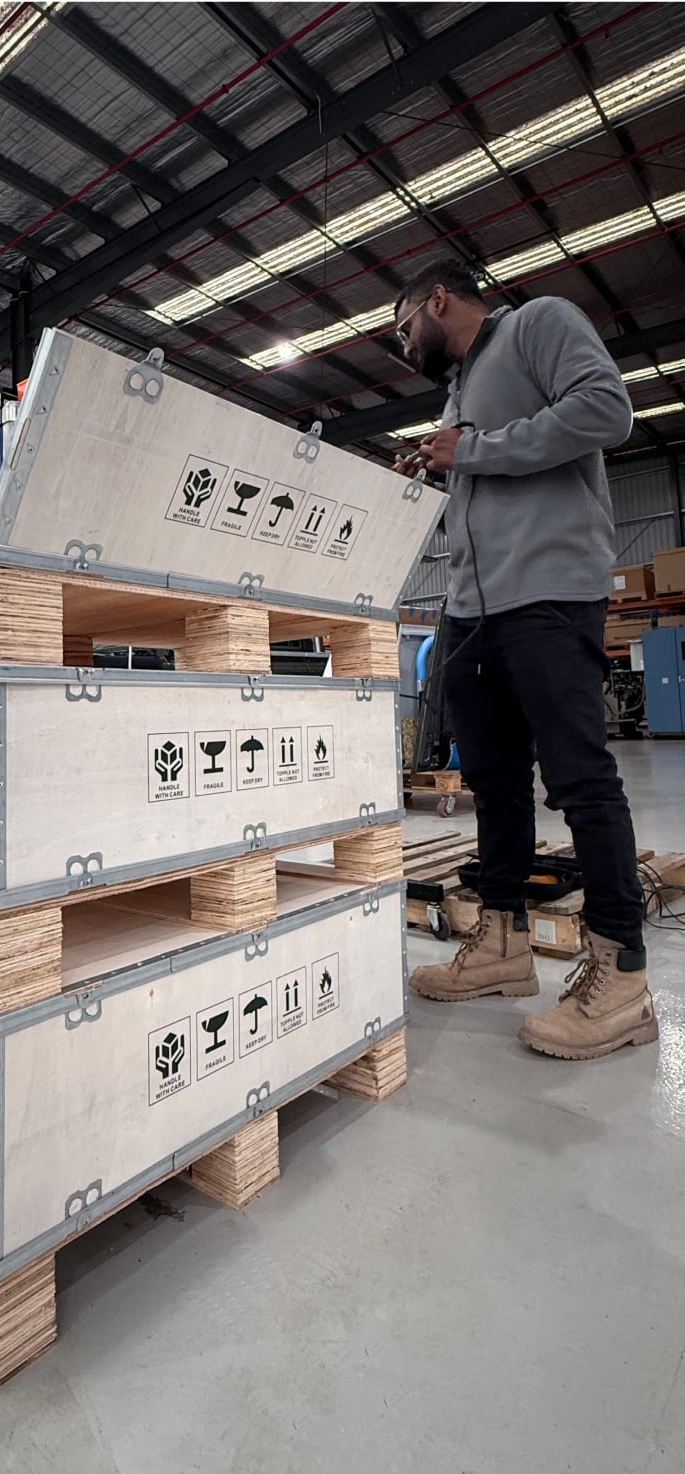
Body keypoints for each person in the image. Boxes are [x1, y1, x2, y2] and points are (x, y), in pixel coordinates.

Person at [391, 258, 658, 1060]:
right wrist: (433, 469)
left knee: (576, 775)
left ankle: (621, 972)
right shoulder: (457, 394)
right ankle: (503, 944)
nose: (403, 346)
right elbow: (480, 471)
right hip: (471, 608)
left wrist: (470, 447)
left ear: (437, 299)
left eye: (404, 329)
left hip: (546, 591)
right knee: (491, 781)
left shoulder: (537, 323)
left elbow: (605, 411)